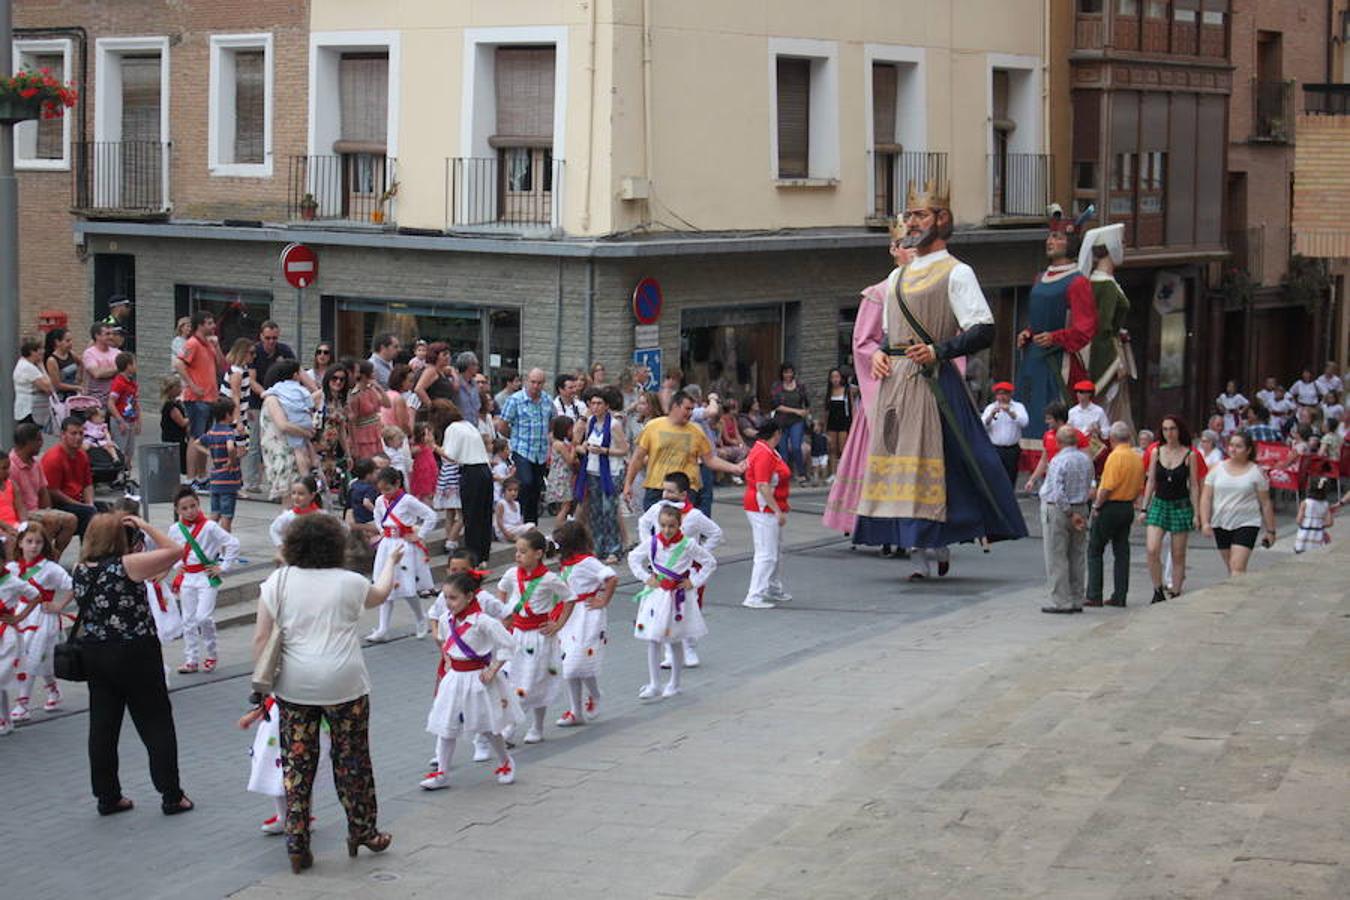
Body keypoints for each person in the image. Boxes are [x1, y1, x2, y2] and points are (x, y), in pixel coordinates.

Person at [852, 182, 1027, 557]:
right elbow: (889, 334)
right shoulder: (898, 276)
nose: (912, 222)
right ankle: (910, 541)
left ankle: (952, 530)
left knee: (954, 456)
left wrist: (938, 350)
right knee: (897, 455)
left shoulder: (957, 271)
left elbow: (984, 329)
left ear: (942, 219)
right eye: (910, 215)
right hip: (896, 382)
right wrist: (881, 354)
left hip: (931, 378)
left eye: (920, 215)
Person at [251, 513, 401, 873]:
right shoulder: (349, 581)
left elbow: (260, 638)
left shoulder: (278, 581)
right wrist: (391, 563)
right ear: (335, 545)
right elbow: (380, 595)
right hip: (345, 683)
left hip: (294, 686)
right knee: (352, 760)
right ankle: (363, 830)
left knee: (298, 764)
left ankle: (297, 843)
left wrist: (262, 690)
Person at [74, 511, 192, 816]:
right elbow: (176, 550)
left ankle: (107, 796)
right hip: (135, 652)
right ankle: (171, 794)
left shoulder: (80, 568)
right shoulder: (126, 566)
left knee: (102, 726)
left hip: (96, 652)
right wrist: (141, 524)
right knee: (155, 722)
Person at [823, 228, 913, 538]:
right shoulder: (879, 293)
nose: (910, 250)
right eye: (904, 244)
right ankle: (878, 525)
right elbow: (862, 342)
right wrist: (878, 357)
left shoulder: (933, 290)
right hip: (887, 387)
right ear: (893, 249)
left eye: (915, 244)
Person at [420, 570, 523, 790]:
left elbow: (509, 644)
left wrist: (494, 668)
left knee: (487, 726)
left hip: (478, 681)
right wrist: (448, 661)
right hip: (455, 679)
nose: (448, 603)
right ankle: (443, 772)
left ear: (469, 596)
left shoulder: (483, 621)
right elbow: (448, 643)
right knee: (446, 725)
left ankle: (506, 761)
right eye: (446, 597)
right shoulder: (447, 619)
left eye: (453, 597)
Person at [1015, 206, 1098, 437]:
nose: (1050, 241)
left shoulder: (1078, 282)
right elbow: (1040, 317)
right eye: (1050, 236)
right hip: (1034, 356)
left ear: (1070, 243)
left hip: (1059, 360)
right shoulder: (1040, 278)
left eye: (1057, 237)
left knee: (1051, 411)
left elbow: (1085, 329)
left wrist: (1056, 338)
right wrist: (1029, 332)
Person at [635, 470, 722, 668]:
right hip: (663, 571)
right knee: (663, 609)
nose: (666, 495)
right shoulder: (657, 509)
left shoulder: (695, 516)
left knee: (688, 608)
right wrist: (649, 547)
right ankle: (669, 651)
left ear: (684, 494)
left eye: (671, 491)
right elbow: (643, 523)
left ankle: (689, 648)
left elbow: (715, 533)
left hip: (686, 572)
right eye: (664, 490)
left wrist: (699, 554)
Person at [628, 505, 716, 699]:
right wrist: (645, 577)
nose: (667, 530)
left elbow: (709, 562)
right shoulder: (652, 542)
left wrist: (694, 581)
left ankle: (674, 683)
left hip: (677, 597)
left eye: (672, 526)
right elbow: (633, 558)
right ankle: (654, 683)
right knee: (652, 638)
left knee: (674, 639)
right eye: (663, 525)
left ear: (680, 525)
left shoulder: (688, 544)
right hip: (656, 595)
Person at [496, 529, 574, 743]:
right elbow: (501, 589)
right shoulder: (512, 574)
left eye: (523, 552)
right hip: (518, 636)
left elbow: (570, 598)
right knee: (514, 680)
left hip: (539, 637)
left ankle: (524, 727)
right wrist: (505, 613)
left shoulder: (549, 579)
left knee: (535, 681)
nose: (518, 556)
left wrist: (558, 624)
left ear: (538, 554)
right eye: (517, 551)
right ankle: (518, 725)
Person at [622, 390, 745, 513]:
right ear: (675, 406)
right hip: (657, 488)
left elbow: (710, 459)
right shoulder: (653, 427)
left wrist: (734, 468)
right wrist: (628, 485)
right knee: (655, 529)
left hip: (685, 491)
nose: (690, 413)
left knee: (683, 529)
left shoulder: (696, 431)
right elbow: (637, 458)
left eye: (692, 409)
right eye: (687, 409)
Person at [168, 486, 241, 673]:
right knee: (188, 620)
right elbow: (171, 550)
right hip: (187, 578)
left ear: (199, 505)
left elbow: (232, 543)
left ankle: (211, 653)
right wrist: (178, 565)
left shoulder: (210, 527)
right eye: (184, 508)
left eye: (193, 506)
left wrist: (223, 566)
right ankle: (191, 659)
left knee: (203, 617)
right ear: (177, 510)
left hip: (206, 577)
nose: (190, 511)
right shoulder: (175, 529)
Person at [553, 521, 618, 727]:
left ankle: (595, 694)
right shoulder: (567, 563)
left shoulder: (587, 561)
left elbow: (611, 577)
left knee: (578, 662)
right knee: (568, 663)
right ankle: (575, 710)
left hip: (587, 615)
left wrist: (603, 600)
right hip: (570, 615)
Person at [8, 523, 73, 723]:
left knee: (32, 658)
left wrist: (59, 604)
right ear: (20, 543)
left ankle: (23, 703)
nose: (34, 546)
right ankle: (53, 691)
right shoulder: (12, 568)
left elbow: (74, 586)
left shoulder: (50, 569)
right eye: (29, 541)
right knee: (38, 659)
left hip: (44, 617)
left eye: (38, 542)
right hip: (20, 614)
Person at [365, 466, 435, 643]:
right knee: (384, 586)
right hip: (387, 546)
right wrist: (382, 530)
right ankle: (382, 628)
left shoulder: (408, 500)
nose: (385, 493)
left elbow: (430, 516)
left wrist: (419, 535)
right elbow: (377, 514)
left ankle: (420, 618)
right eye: (381, 490)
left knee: (407, 587)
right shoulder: (380, 501)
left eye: (388, 489)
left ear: (397, 484)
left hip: (404, 547)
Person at [1077, 223, 1134, 429]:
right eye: (1122, 243)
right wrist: (1116, 362)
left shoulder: (1101, 281)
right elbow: (1102, 328)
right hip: (1107, 352)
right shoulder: (1106, 286)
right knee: (1111, 410)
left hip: (1109, 346)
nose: (1124, 247)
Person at [1199, 431, 1276, 577]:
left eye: (1239, 446)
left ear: (1248, 450)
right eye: (1231, 445)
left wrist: (1271, 531)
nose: (1233, 449)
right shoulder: (1217, 469)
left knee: (1237, 567)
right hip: (1220, 522)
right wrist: (1205, 522)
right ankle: (1235, 597)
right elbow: (1206, 497)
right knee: (1231, 567)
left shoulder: (1256, 472)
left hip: (1247, 522)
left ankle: (1234, 596)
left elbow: (1265, 503)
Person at [1141, 415, 1199, 604]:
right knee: (1152, 548)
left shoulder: (1190, 455)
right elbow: (1150, 480)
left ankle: (1176, 591)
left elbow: (1195, 486)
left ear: (1179, 430)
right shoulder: (1156, 452)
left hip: (1180, 505)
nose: (1169, 433)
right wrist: (1144, 507)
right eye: (1165, 429)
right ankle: (1157, 589)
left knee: (1178, 553)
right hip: (1159, 503)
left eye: (1172, 429)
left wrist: (1197, 513)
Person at [1085, 422, 1145, 607]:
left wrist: (1096, 506)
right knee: (1121, 551)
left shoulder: (1115, 457)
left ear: (1112, 439)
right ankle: (1120, 594)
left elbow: (1107, 487)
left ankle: (1094, 594)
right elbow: (1139, 485)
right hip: (1127, 506)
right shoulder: (1137, 457)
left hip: (1110, 506)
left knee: (1095, 549)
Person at [1039, 425, 1094, 614]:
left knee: (1057, 555)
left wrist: (1069, 512)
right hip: (1081, 505)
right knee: (1077, 555)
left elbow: (1057, 490)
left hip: (1059, 510)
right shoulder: (1086, 460)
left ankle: (1062, 600)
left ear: (1059, 442)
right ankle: (1077, 597)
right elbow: (1090, 483)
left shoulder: (1058, 461)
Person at [573, 386, 627, 563]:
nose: (595, 407)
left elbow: (623, 449)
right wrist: (585, 448)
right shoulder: (590, 422)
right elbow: (580, 444)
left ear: (606, 406)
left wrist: (604, 450)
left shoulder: (614, 424)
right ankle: (598, 546)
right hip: (592, 470)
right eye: (593, 403)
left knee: (609, 510)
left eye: (599, 403)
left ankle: (614, 548)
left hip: (610, 472)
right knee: (595, 511)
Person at [742, 418, 791, 609]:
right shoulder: (764, 453)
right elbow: (763, 485)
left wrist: (780, 504)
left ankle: (772, 587)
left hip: (766, 505)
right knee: (766, 553)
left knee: (774, 551)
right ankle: (754, 595)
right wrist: (777, 509)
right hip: (763, 507)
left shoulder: (766, 450)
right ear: (777, 433)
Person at [173, 312, 225, 486]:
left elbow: (221, 366)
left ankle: (202, 476)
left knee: (205, 438)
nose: (213, 326)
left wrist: (217, 347)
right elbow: (179, 363)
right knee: (196, 437)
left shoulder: (209, 344)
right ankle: (191, 477)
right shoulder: (193, 343)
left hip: (210, 397)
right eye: (209, 323)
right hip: (196, 398)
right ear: (200, 325)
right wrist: (192, 385)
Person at [8, 425, 77, 554]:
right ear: (28, 442)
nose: (41, 444)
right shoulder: (11, 466)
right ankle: (41, 556)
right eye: (38, 440)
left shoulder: (35, 463)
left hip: (37, 510)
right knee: (51, 519)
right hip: (22, 512)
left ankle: (53, 556)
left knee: (71, 520)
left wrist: (47, 510)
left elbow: (42, 490)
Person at [440, 406, 494, 566]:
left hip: (471, 472)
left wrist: (433, 446)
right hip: (484, 470)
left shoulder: (452, 428)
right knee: (484, 516)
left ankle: (473, 558)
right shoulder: (468, 425)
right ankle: (483, 556)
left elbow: (450, 455)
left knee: (471, 517)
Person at [499, 368, 554, 524]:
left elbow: (551, 422)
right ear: (526, 381)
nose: (536, 386)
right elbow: (502, 425)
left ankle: (531, 523)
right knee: (526, 483)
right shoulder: (515, 400)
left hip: (540, 451)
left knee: (536, 488)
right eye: (533, 382)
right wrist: (515, 438)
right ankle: (519, 517)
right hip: (522, 449)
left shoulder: (547, 400)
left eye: (539, 383)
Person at [260, 362, 313, 502]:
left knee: (295, 499)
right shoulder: (273, 399)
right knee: (290, 500)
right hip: (284, 454)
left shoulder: (278, 395)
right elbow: (283, 425)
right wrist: (306, 433)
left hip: (288, 451)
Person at [41, 417, 97, 538]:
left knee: (108, 511)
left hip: (77, 502)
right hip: (58, 505)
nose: (78, 437)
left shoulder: (82, 455)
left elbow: (88, 484)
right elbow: (53, 492)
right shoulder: (53, 458)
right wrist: (81, 505)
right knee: (90, 514)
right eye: (73, 433)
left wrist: (90, 503)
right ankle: (88, 554)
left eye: (81, 433)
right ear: (63, 435)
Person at [199, 398, 244, 532]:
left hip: (215, 477)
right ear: (227, 415)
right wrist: (232, 460)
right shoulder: (228, 432)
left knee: (215, 513)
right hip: (228, 480)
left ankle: (205, 537)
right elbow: (230, 447)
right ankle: (225, 544)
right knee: (227, 516)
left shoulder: (212, 432)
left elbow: (197, 443)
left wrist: (208, 452)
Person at [769, 363, 810, 486]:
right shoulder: (777, 387)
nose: (788, 375)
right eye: (785, 372)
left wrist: (805, 412)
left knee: (797, 447)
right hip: (781, 421)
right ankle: (784, 475)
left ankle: (801, 474)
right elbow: (776, 406)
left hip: (796, 421)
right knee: (783, 450)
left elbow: (807, 403)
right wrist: (796, 411)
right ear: (782, 373)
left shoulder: (800, 386)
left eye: (790, 372)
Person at [981, 381, 1028, 487]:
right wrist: (991, 416)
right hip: (995, 448)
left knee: (1010, 477)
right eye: (999, 394)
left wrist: (1010, 412)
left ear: (1010, 394)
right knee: (994, 477)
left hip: (1012, 449)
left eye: (1004, 394)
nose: (1001, 397)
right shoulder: (991, 408)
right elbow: (982, 426)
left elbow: (1024, 422)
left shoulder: (1018, 407)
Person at [269, 476, 324, 554]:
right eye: (293, 493)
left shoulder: (322, 516)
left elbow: (342, 529)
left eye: (301, 494)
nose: (296, 497)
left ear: (312, 495)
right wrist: (281, 546)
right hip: (294, 556)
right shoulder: (288, 516)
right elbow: (274, 529)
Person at [107, 352, 141, 469]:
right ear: (128, 366)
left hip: (130, 420)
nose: (136, 366)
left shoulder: (132, 383)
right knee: (120, 449)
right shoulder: (119, 383)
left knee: (130, 451)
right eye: (134, 363)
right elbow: (111, 403)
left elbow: (135, 403)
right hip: (121, 421)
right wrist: (120, 421)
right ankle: (119, 473)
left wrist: (138, 420)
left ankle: (126, 473)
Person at [543, 414, 577, 528]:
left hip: (559, 476)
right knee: (566, 506)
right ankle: (558, 529)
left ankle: (560, 528)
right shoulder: (560, 444)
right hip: (562, 477)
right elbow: (570, 460)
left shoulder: (557, 443)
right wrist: (574, 447)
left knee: (562, 506)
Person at [13, 336, 52, 429]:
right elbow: (48, 387)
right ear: (32, 352)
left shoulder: (22, 364)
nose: (43, 351)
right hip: (30, 410)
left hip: (24, 408)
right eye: (40, 349)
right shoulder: (29, 368)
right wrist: (41, 365)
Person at [822, 368, 854, 481]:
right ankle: (833, 473)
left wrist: (853, 423)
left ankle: (844, 472)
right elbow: (826, 411)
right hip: (832, 423)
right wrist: (824, 426)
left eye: (837, 377)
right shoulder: (829, 392)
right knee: (832, 448)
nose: (835, 379)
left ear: (841, 378)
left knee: (842, 448)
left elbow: (852, 408)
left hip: (843, 422)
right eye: (832, 377)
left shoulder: (846, 390)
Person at [82, 322, 121, 405]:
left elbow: (125, 372)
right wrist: (118, 368)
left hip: (117, 401)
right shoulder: (89, 353)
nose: (111, 337)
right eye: (107, 334)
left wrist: (106, 371)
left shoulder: (118, 353)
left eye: (112, 334)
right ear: (97, 336)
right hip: (97, 402)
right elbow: (97, 374)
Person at [253, 321, 299, 390]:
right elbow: (251, 380)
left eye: (274, 338)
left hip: (280, 393)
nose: (271, 341)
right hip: (258, 394)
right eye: (267, 338)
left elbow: (298, 371)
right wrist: (265, 394)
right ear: (261, 336)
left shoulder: (284, 350)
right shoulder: (254, 351)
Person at [44, 327, 82, 407]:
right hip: (62, 398)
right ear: (58, 342)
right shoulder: (52, 360)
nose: (71, 343)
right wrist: (76, 387)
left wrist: (79, 377)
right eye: (67, 341)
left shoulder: (71, 354)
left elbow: (82, 364)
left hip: (74, 393)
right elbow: (57, 385)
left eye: (71, 340)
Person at [1294, 477, 1333, 553]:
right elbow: (1330, 522)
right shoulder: (1326, 504)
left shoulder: (1305, 503)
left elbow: (1298, 520)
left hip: (1304, 536)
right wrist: (1320, 524)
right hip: (1317, 535)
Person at [161, 376, 190, 476]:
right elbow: (182, 422)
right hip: (174, 439)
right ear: (174, 389)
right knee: (178, 462)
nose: (181, 389)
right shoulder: (171, 406)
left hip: (177, 438)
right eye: (179, 387)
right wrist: (193, 417)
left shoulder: (176, 403)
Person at [494, 477, 534, 542]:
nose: (513, 493)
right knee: (530, 528)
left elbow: (519, 520)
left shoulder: (517, 504)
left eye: (515, 490)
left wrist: (522, 526)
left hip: (515, 528)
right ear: (504, 491)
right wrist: (506, 533)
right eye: (510, 490)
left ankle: (522, 539)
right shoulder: (502, 504)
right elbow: (499, 522)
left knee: (531, 527)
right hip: (506, 530)